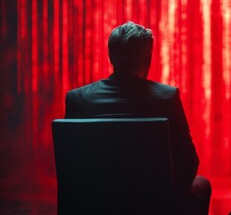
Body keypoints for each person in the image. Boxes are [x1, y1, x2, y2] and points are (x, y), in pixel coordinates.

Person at [65, 21, 211, 215]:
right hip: (154, 205)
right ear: (148, 59)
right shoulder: (166, 97)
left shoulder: (77, 99)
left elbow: (71, 167)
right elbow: (189, 164)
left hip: (94, 204)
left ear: (110, 56)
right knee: (203, 185)